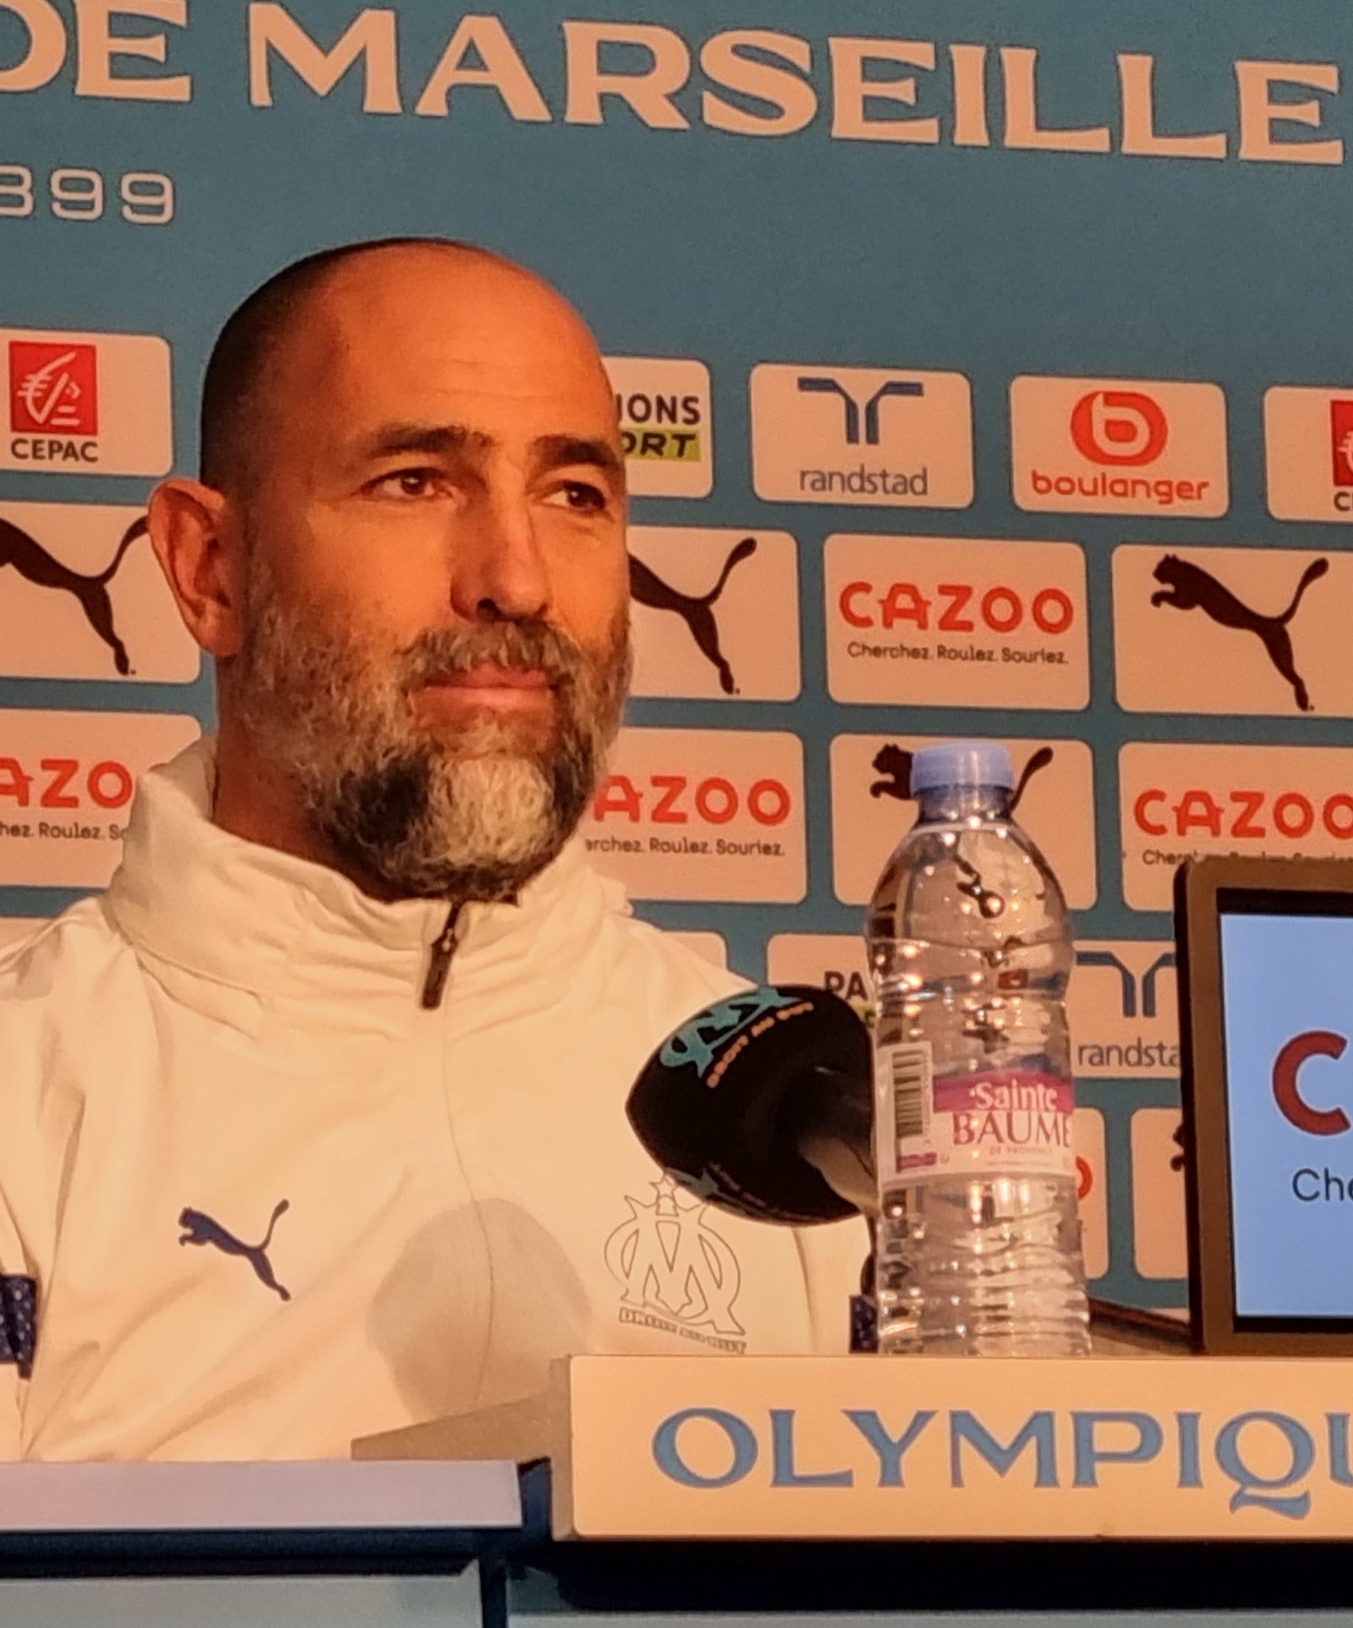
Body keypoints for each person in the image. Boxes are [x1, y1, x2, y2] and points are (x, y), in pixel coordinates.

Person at [0, 239, 863, 1460]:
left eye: (575, 495)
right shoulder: (26, 1092)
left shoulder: (789, 1114)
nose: (516, 579)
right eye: (415, 482)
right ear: (209, 570)